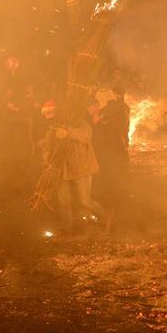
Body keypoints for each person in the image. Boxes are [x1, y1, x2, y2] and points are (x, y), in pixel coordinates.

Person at [38, 100, 107, 234]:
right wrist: (47, 160)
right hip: (62, 169)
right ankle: (66, 228)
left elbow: (86, 136)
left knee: (85, 200)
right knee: (63, 200)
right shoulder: (51, 129)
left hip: (81, 167)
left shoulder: (78, 122)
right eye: (46, 114)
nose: (48, 117)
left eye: (51, 113)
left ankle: (104, 218)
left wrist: (67, 133)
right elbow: (48, 148)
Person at [91, 88, 130, 223]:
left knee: (109, 177)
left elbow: (104, 133)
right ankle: (117, 202)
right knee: (114, 176)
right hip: (115, 148)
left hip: (109, 150)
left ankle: (113, 205)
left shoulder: (109, 111)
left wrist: (96, 122)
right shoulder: (120, 108)